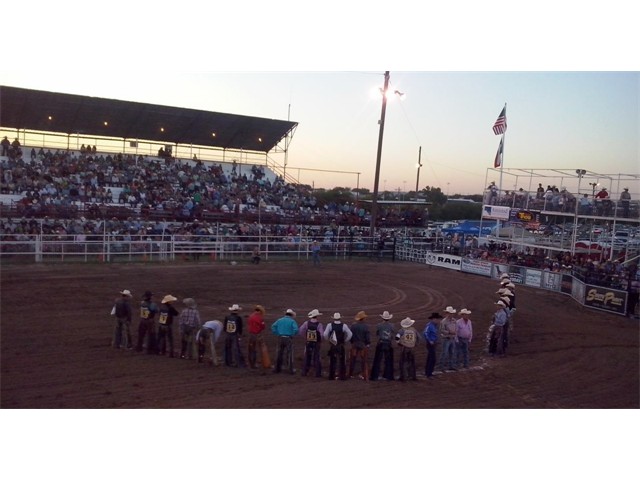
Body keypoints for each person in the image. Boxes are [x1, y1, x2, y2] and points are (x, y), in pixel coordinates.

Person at [323, 313, 353, 380]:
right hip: (340, 345)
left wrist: (328, 339)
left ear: (333, 318)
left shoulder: (329, 325)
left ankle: (331, 376)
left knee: (332, 360)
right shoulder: (344, 326)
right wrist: (345, 340)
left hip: (333, 345)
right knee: (342, 361)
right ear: (340, 318)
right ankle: (342, 376)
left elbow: (325, 334)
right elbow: (350, 334)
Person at [271, 308, 299, 373]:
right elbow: (296, 330)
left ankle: (277, 368)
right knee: (289, 354)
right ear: (291, 315)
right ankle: (290, 369)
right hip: (288, 338)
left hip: (280, 337)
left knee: (279, 353)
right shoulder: (292, 321)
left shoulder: (279, 320)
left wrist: (277, 333)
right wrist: (292, 334)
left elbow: (273, 326)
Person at [370, 311, 395, 381]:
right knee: (389, 360)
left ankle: (374, 376)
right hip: (388, 343)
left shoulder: (379, 325)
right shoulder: (392, 325)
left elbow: (377, 333)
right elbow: (393, 334)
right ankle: (389, 376)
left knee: (377, 360)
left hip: (381, 343)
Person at [299, 309, 325, 377]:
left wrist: (305, 337)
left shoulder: (306, 323)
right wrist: (320, 340)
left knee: (307, 356)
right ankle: (317, 373)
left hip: (308, 342)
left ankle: (304, 372)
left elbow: (301, 331)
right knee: (316, 357)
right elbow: (322, 335)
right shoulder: (319, 325)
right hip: (316, 343)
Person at [348, 311, 371, 380]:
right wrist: (367, 343)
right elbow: (367, 337)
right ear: (363, 318)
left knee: (352, 360)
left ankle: (350, 374)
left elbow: (351, 335)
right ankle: (365, 376)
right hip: (362, 344)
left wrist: (352, 342)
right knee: (364, 360)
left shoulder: (353, 326)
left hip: (355, 343)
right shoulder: (365, 326)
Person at [395, 317, 419, 381]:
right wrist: (415, 344)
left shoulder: (402, 330)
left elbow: (397, 337)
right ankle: (413, 376)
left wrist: (398, 343)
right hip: (412, 348)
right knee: (412, 362)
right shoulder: (414, 330)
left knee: (403, 362)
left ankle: (403, 377)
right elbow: (419, 338)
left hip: (405, 347)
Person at [247, 305, 269, 370]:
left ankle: (252, 364)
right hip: (258, 334)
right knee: (262, 349)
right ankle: (265, 363)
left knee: (251, 349)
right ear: (259, 311)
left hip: (251, 335)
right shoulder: (260, 318)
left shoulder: (250, 316)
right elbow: (263, 327)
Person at [439, 306, 458, 371]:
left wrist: (455, 332)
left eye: (452, 313)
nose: (451, 314)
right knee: (445, 353)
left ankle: (451, 366)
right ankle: (441, 366)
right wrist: (449, 332)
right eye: (450, 313)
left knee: (452, 353)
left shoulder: (454, 321)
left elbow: (456, 328)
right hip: (446, 338)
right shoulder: (443, 321)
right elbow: (441, 330)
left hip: (452, 338)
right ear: (447, 313)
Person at [423, 312, 441, 378]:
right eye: (438, 319)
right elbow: (425, 333)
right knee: (432, 358)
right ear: (434, 319)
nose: (439, 321)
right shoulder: (429, 325)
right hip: (430, 343)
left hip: (433, 343)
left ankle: (428, 372)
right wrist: (430, 340)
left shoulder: (433, 325)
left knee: (430, 358)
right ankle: (429, 373)